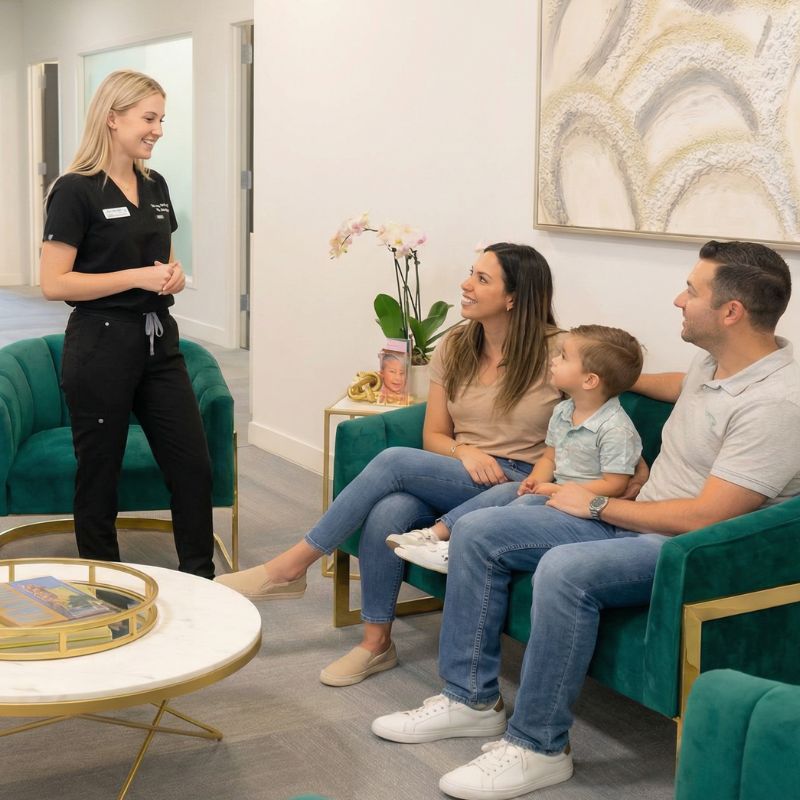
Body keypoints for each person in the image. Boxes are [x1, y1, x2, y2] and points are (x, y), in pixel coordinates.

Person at [371, 240, 800, 800]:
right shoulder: (719, 360)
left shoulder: (776, 404)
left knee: (565, 571)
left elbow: (706, 519)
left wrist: (596, 503)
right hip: (637, 514)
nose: (678, 299)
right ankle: (470, 699)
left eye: (691, 291)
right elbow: (684, 388)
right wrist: (619, 379)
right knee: (477, 532)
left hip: (684, 547)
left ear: (731, 312)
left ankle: (539, 746)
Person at [216, 243, 564, 685]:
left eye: (482, 279)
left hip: (517, 484)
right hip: (462, 468)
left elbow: (605, 392)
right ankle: (375, 644)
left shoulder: (559, 352)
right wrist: (465, 451)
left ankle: (290, 567)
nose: (466, 284)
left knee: (394, 461)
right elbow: (434, 435)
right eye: (470, 273)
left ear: (514, 297)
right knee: (390, 509)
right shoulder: (457, 345)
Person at [39, 70, 215, 579]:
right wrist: (135, 276)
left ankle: (200, 582)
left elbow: (168, 259)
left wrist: (175, 277)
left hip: (160, 342)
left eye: (161, 119)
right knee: (100, 474)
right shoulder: (74, 191)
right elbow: (55, 284)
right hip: (100, 345)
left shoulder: (155, 183)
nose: (158, 129)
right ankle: (104, 585)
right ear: (113, 118)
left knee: (192, 467)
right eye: (149, 118)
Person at [390, 324, 644, 573]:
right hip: (556, 493)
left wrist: (559, 490)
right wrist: (534, 481)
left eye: (563, 357)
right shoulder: (564, 411)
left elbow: (616, 485)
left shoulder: (616, 429)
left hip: (583, 505)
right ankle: (434, 536)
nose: (554, 360)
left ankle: (451, 549)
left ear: (589, 380)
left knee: (508, 511)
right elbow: (550, 458)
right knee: (510, 494)